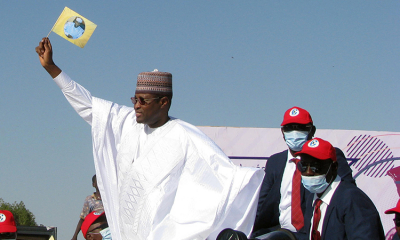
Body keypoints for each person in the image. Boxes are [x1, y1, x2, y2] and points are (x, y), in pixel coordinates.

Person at [35, 37, 264, 240]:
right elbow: (87, 104)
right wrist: (52, 68)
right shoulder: (126, 123)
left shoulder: (185, 137)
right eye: (134, 99)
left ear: (163, 102)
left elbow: (229, 181)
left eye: (143, 101)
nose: (136, 106)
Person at [252, 106, 354, 237]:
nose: (295, 132)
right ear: (282, 132)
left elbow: (348, 196)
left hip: (313, 234)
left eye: (300, 127)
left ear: (312, 131)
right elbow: (263, 203)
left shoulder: (329, 157)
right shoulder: (275, 162)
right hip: (278, 234)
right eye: (289, 128)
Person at [295, 138, 384, 239]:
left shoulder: (352, 199)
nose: (308, 172)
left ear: (333, 167)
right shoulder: (312, 197)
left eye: (316, 166)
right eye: (303, 166)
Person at [72, 175, 104, 240]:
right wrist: (75, 236)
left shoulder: (109, 198)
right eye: (98, 181)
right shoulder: (89, 199)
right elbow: (83, 218)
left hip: (108, 230)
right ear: (93, 184)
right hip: (96, 232)